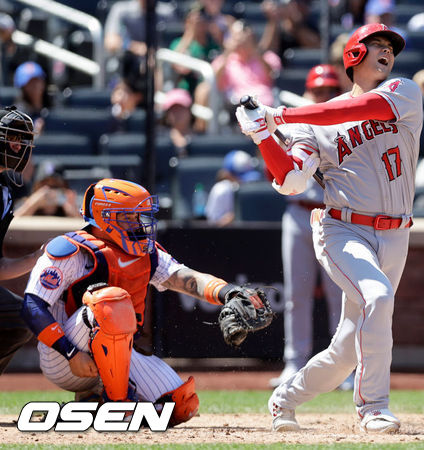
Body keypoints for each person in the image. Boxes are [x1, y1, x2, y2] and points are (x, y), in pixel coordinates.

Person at [236, 23, 421, 434]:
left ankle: (284, 398)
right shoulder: (311, 126)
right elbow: (292, 181)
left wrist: (277, 115)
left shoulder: (405, 91)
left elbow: (356, 111)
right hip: (343, 229)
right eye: (376, 45)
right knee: (378, 295)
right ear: (354, 55)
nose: (386, 51)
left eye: (390, 46)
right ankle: (374, 407)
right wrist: (264, 136)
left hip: (396, 234)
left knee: (345, 351)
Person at [20, 178, 268, 424]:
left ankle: (94, 400)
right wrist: (71, 353)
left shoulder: (144, 252)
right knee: (111, 300)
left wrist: (229, 293)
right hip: (64, 356)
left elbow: (185, 278)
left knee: (179, 406)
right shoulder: (70, 250)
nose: (138, 223)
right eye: (129, 216)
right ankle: (119, 407)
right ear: (105, 216)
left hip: (115, 355)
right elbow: (32, 306)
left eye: (140, 216)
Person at [269, 64, 346, 389]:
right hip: (299, 213)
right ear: (308, 92)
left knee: (340, 295)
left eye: (329, 90)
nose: (324, 96)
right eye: (318, 91)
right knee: (296, 294)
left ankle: (344, 368)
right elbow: (274, 171)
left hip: (333, 213)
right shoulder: (295, 121)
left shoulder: (345, 121)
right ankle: (294, 363)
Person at [0, 106, 40, 375]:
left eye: (22, 140)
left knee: (23, 317)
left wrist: (39, 257)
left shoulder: (4, 191)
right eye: (13, 139)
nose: (19, 147)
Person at [195, 20, 281, 127]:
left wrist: (254, 51)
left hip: (265, 107)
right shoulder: (225, 60)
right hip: (236, 108)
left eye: (245, 36)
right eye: (236, 36)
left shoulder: (267, 57)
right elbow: (214, 81)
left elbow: (272, 75)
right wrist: (228, 52)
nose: (241, 40)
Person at [205, 149, 261, 226]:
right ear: (228, 174)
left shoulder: (253, 187)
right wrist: (235, 216)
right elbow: (213, 223)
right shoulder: (221, 190)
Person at [13, 159, 78, 218]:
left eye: (55, 186)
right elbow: (10, 227)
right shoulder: (25, 205)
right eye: (45, 186)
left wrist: (73, 212)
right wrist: (32, 205)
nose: (49, 191)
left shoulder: (70, 207)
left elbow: (85, 227)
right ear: (36, 187)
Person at [13, 62, 49, 136]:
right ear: (23, 87)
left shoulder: (55, 104)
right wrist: (35, 133)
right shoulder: (18, 114)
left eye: (37, 80)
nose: (35, 85)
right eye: (30, 82)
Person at [160, 88, 195, 157]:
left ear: (189, 111)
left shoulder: (201, 139)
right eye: (173, 109)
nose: (177, 113)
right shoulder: (159, 140)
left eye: (181, 108)